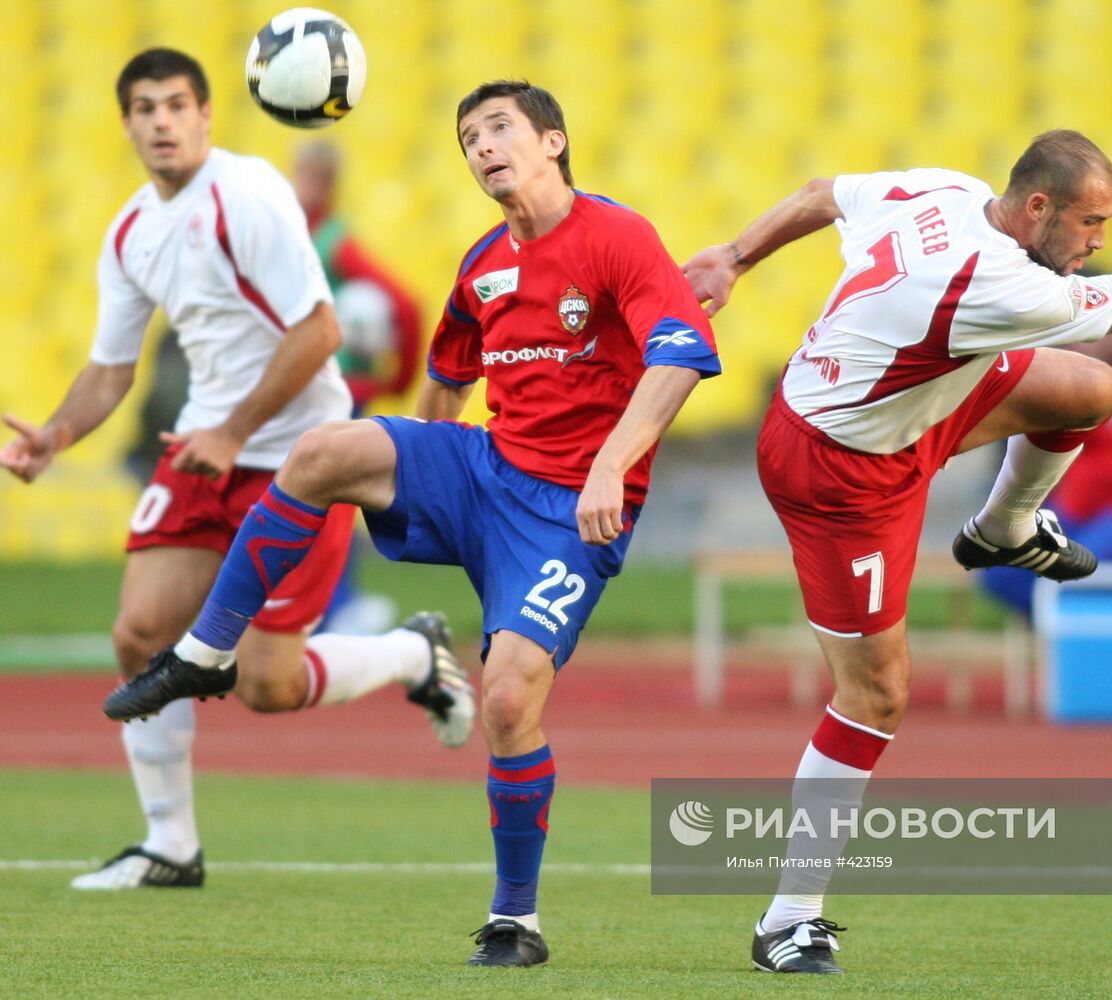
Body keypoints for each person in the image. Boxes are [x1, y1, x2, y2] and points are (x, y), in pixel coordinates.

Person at [102, 79, 721, 966]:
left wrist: (612, 465)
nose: (481, 148)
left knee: (507, 699)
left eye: (499, 129)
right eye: (469, 137)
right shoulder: (483, 264)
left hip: (564, 510)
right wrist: (419, 471)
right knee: (321, 452)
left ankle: (516, 919)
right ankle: (204, 652)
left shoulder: (617, 235)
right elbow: (446, 378)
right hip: (482, 469)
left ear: (553, 141)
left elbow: (680, 353)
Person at [684, 66, 1112, 974]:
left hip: (918, 390)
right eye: (1089, 225)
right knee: (878, 695)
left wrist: (734, 256)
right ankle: (786, 921)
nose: (1095, 244)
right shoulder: (1005, 286)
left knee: (1088, 389)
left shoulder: (950, 192)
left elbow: (819, 196)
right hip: (837, 469)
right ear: (1038, 208)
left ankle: (1005, 527)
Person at [0, 49, 473, 892]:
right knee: (140, 635)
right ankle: (170, 845)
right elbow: (113, 368)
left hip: (301, 458)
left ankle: (411, 654)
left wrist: (233, 428)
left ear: (207, 114)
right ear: (127, 126)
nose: (161, 121)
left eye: (176, 104)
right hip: (206, 451)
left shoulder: (248, 193)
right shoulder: (129, 231)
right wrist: (56, 437)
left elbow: (321, 332)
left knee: (267, 685)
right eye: (143, 108)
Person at [293, 140, 424, 634]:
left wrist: (398, 378)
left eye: (313, 174)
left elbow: (406, 306)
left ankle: (338, 606)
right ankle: (318, 604)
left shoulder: (331, 240)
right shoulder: (300, 236)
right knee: (312, 493)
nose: (306, 182)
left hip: (336, 387)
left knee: (330, 495)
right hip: (306, 385)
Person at [980, 328, 1112, 619]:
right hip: (1073, 510)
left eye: (1095, 330)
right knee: (996, 567)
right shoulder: (1072, 375)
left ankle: (1085, 637)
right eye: (1078, 329)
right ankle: (1072, 630)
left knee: (1078, 576)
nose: (1081, 340)